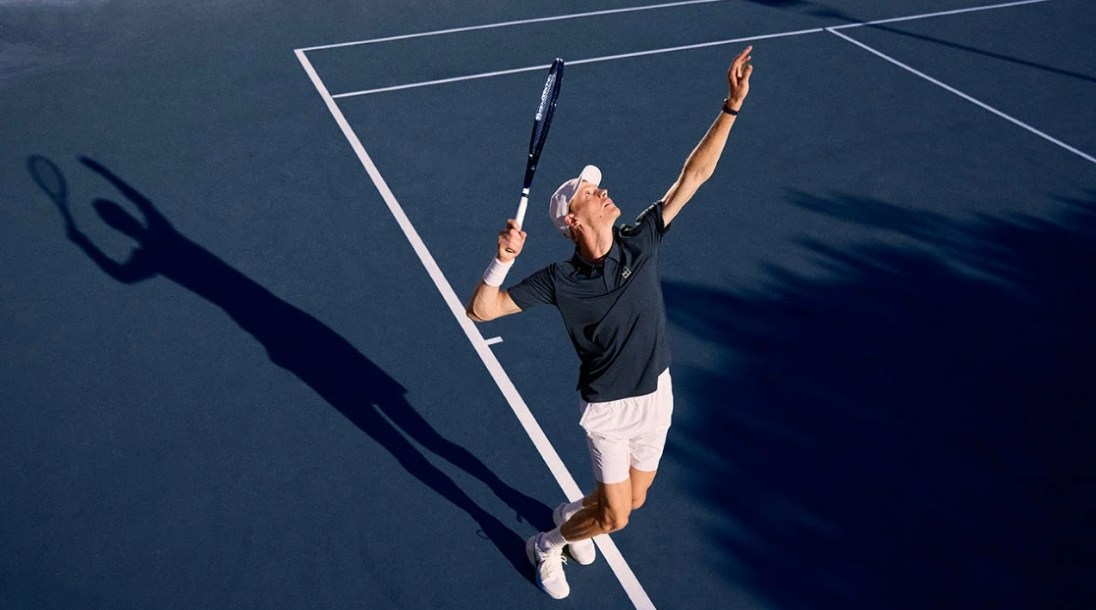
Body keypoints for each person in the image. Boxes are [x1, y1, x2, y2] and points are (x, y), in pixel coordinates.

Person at [466, 46, 754, 599]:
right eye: (589, 191)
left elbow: (693, 176)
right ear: (573, 220)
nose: (601, 189)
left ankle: (575, 514)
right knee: (617, 518)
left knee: (632, 501)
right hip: (609, 413)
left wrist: (730, 107)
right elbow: (483, 311)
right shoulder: (559, 280)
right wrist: (502, 259)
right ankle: (548, 544)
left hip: (657, 394)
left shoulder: (639, 241)